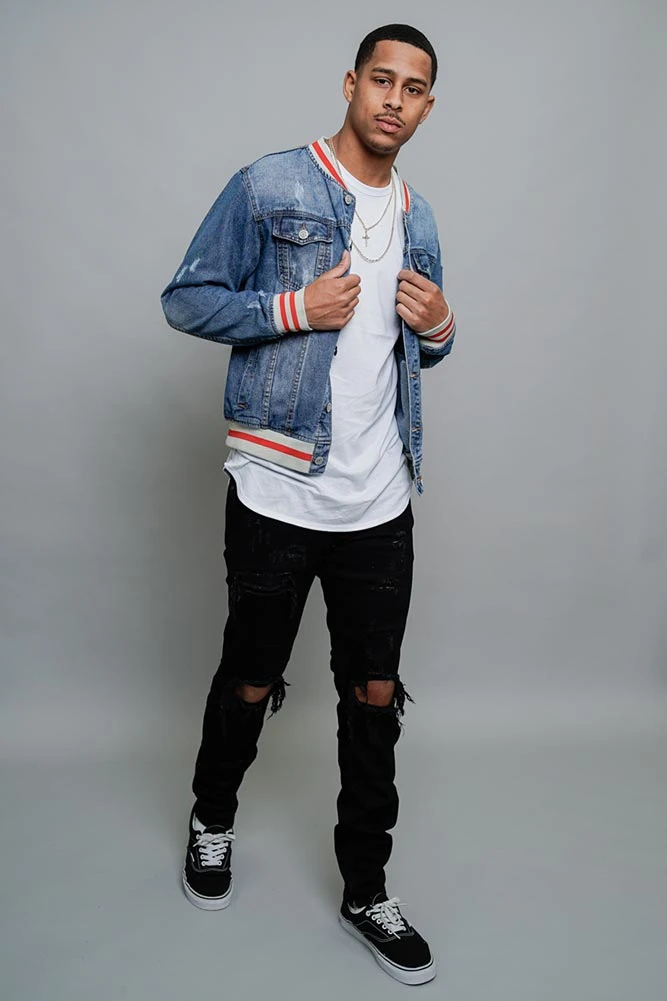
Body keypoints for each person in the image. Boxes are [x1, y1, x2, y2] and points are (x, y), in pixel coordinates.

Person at [161, 23, 456, 986]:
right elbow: (186, 297)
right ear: (350, 83)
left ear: (426, 106)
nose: (393, 99)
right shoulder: (270, 185)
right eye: (381, 79)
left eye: (413, 88)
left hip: (380, 501)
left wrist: (443, 326)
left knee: (374, 695)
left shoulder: (418, 216)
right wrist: (290, 309)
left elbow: (422, 340)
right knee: (251, 676)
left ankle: (365, 886)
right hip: (278, 490)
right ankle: (212, 817)